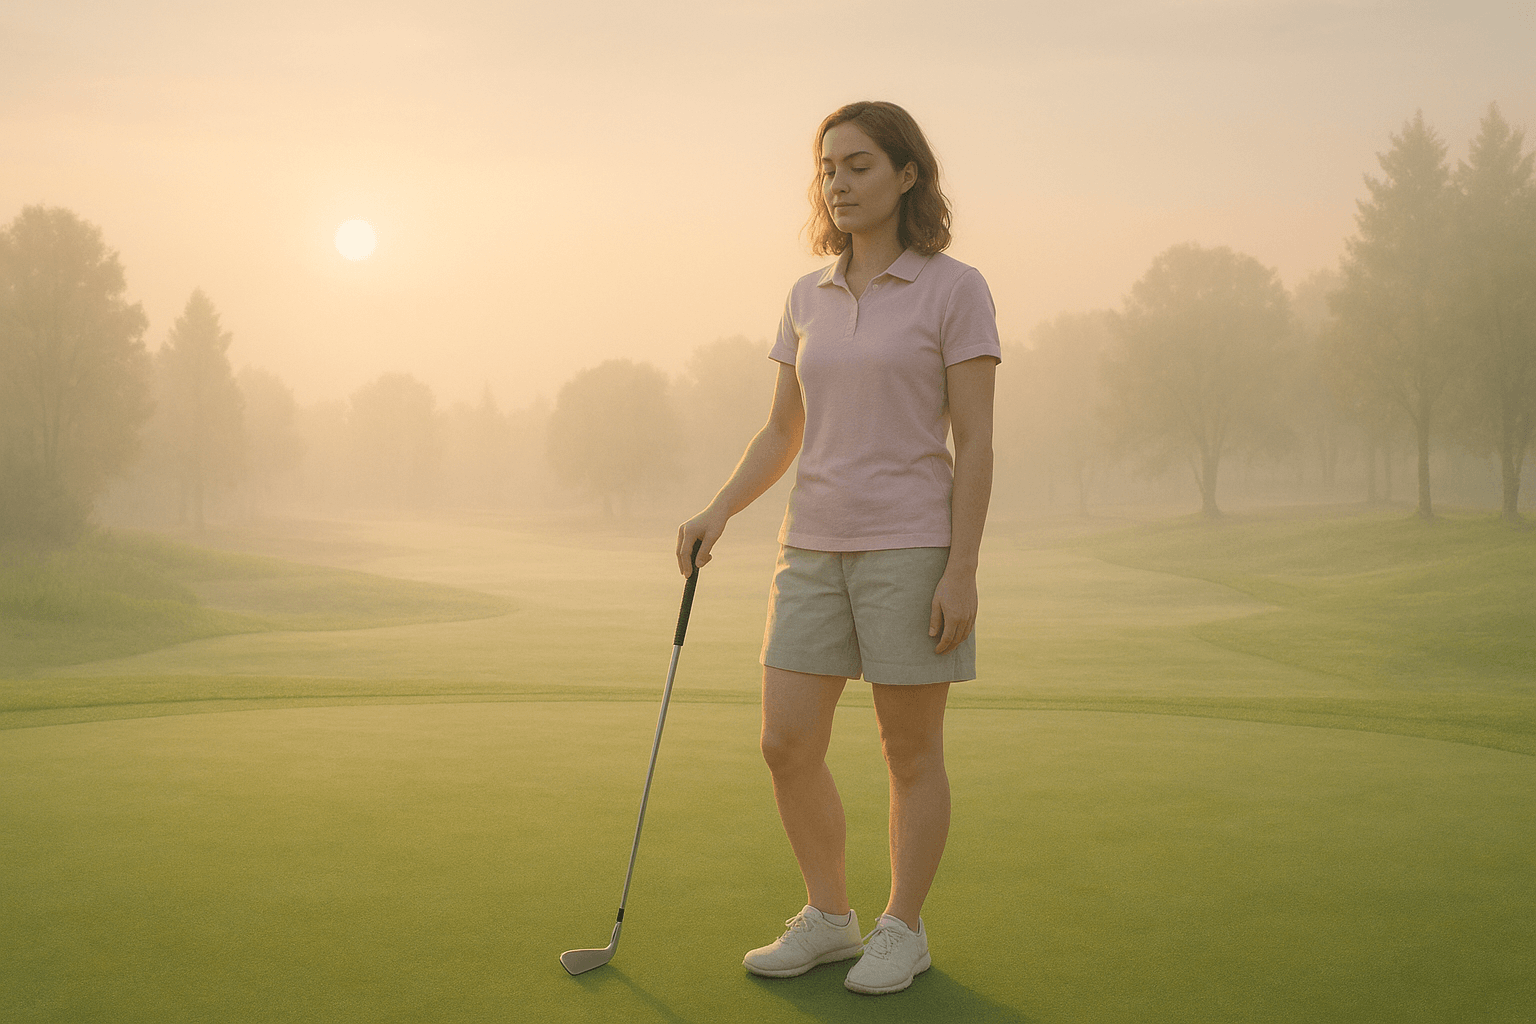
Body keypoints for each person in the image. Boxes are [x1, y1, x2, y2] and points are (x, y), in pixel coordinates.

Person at [675, 99, 1000, 997]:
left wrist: (961, 569)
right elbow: (783, 431)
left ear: (906, 175)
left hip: (911, 546)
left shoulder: (954, 287)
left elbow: (974, 441)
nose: (839, 182)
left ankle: (904, 928)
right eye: (828, 168)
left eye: (859, 165)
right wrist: (720, 510)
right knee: (785, 742)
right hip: (810, 545)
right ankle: (829, 916)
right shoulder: (803, 294)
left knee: (909, 752)